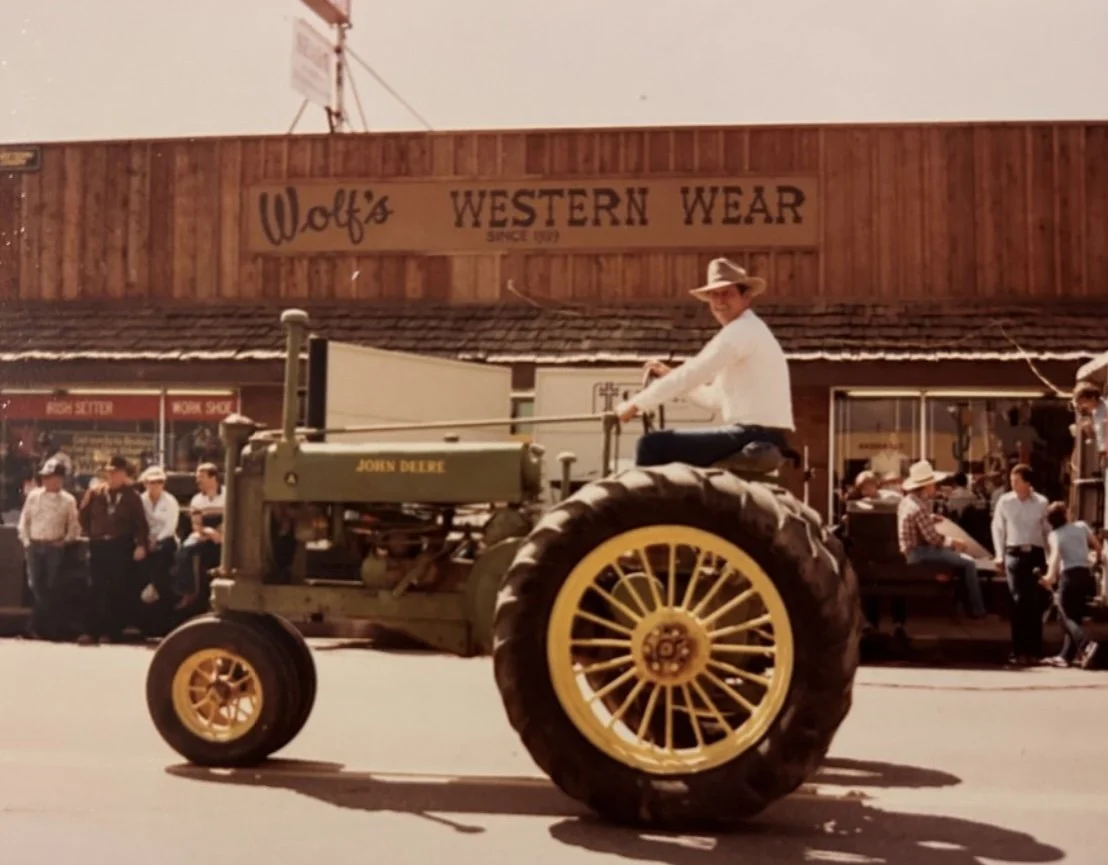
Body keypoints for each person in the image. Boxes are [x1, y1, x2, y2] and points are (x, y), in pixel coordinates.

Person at [614, 258, 793, 467]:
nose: (719, 302)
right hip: (762, 435)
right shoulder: (748, 331)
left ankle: (647, 500)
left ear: (746, 297)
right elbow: (714, 399)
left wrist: (636, 404)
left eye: (727, 293)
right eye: (714, 295)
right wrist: (670, 376)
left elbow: (694, 372)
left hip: (753, 435)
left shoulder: (741, 331)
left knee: (652, 444)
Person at [897, 459, 987, 618]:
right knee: (969, 563)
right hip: (919, 553)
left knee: (959, 560)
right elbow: (933, 539)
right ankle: (977, 610)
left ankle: (966, 605)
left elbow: (917, 523)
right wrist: (954, 543)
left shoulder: (908, 502)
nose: (935, 486)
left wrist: (931, 518)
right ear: (925, 486)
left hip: (912, 551)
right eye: (933, 483)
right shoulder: (918, 507)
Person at [77, 455, 149, 644]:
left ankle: (111, 632)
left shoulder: (132, 496)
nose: (112, 476)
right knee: (95, 586)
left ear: (124, 474)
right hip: (99, 545)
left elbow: (140, 524)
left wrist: (141, 544)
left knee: (116, 588)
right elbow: (82, 515)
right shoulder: (95, 492)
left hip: (120, 546)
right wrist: (92, 533)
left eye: (116, 473)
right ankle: (90, 631)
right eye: (110, 472)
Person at [991, 463, 1051, 666]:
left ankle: (1035, 650)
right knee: (1018, 600)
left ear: (1027, 482)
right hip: (1013, 553)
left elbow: (1047, 531)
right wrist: (999, 555)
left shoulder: (1041, 502)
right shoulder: (1005, 501)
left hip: (1035, 553)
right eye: (1011, 481)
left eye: (1016, 481)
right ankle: (1018, 649)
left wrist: (1051, 560)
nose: (1013, 485)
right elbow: (998, 528)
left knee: (1035, 602)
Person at [16, 459, 80, 637]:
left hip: (54, 547)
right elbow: (24, 520)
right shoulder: (33, 496)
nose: (47, 481)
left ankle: (37, 627)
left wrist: (65, 541)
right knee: (36, 585)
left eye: (51, 477)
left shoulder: (68, 501)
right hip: (34, 544)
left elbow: (74, 527)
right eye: (45, 477)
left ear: (60, 479)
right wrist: (26, 541)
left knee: (51, 585)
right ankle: (45, 626)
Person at [1041, 501, 1101, 668]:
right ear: (1064, 515)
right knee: (1074, 616)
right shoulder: (1082, 526)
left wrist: (1049, 577)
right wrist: (1095, 562)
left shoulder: (1055, 535)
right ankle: (1065, 656)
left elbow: (1055, 559)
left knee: (1065, 617)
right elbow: (1096, 546)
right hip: (1085, 574)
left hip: (1069, 575)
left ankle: (1086, 644)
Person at [173, 462, 224, 611]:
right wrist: (207, 532)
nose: (197, 481)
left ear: (213, 477)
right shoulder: (197, 500)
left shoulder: (228, 495)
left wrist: (220, 534)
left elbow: (232, 520)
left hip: (224, 534)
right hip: (204, 533)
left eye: (201, 477)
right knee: (185, 550)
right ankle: (188, 591)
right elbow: (196, 524)